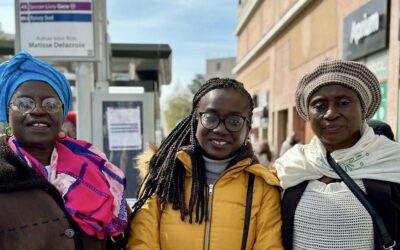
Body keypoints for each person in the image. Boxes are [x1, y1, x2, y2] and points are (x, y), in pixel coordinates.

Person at [127, 78, 282, 249]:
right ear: (195, 120)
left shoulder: (262, 187)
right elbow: (142, 243)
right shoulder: (163, 177)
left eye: (234, 121)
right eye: (210, 117)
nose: (220, 129)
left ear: (248, 129)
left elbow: (269, 245)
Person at [0, 51, 127, 249]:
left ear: (62, 112)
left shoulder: (96, 167)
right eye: (24, 103)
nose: (38, 110)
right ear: (8, 112)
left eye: (50, 104)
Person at [275, 59, 400, 250]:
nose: (331, 113)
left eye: (343, 103)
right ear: (308, 115)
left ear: (363, 109)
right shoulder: (291, 167)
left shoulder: (392, 163)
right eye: (319, 105)